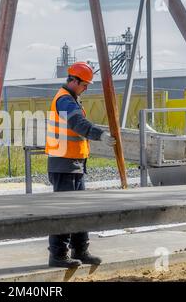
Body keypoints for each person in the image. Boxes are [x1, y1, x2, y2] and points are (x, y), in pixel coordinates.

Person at [45, 62, 116, 268]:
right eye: (84, 84)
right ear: (74, 81)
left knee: (80, 209)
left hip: (74, 163)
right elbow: (77, 124)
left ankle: (81, 250)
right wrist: (99, 135)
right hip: (64, 163)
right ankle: (58, 255)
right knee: (65, 210)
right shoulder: (65, 101)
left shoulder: (72, 99)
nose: (86, 88)